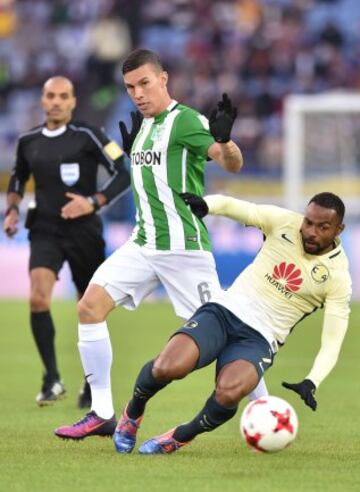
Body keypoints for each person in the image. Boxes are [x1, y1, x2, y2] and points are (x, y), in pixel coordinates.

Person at [54, 48, 269, 440]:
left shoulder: (185, 120)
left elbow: (229, 161)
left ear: (164, 79)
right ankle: (101, 412)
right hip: (143, 244)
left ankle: (264, 410)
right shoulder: (142, 129)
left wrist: (226, 141)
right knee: (89, 307)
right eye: (130, 87)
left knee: (227, 334)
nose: (137, 93)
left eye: (144, 83)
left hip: (184, 249)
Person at [107, 190, 351, 455]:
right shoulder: (284, 222)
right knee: (167, 367)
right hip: (224, 312)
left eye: (322, 227)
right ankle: (133, 412)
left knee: (229, 392)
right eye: (308, 222)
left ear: (339, 230)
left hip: (259, 339)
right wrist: (207, 205)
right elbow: (236, 206)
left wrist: (312, 380)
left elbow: (332, 342)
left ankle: (180, 435)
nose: (311, 231)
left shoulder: (338, 277)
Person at [3, 76, 130, 407]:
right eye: (50, 96)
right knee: (38, 298)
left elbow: (123, 171)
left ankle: (93, 384)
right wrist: (13, 209)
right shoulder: (28, 141)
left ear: (73, 102)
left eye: (63, 96)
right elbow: (18, 176)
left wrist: (94, 201)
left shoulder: (89, 135)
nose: (57, 101)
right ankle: (51, 379)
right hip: (44, 228)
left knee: (89, 308)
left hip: (84, 230)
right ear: (42, 101)